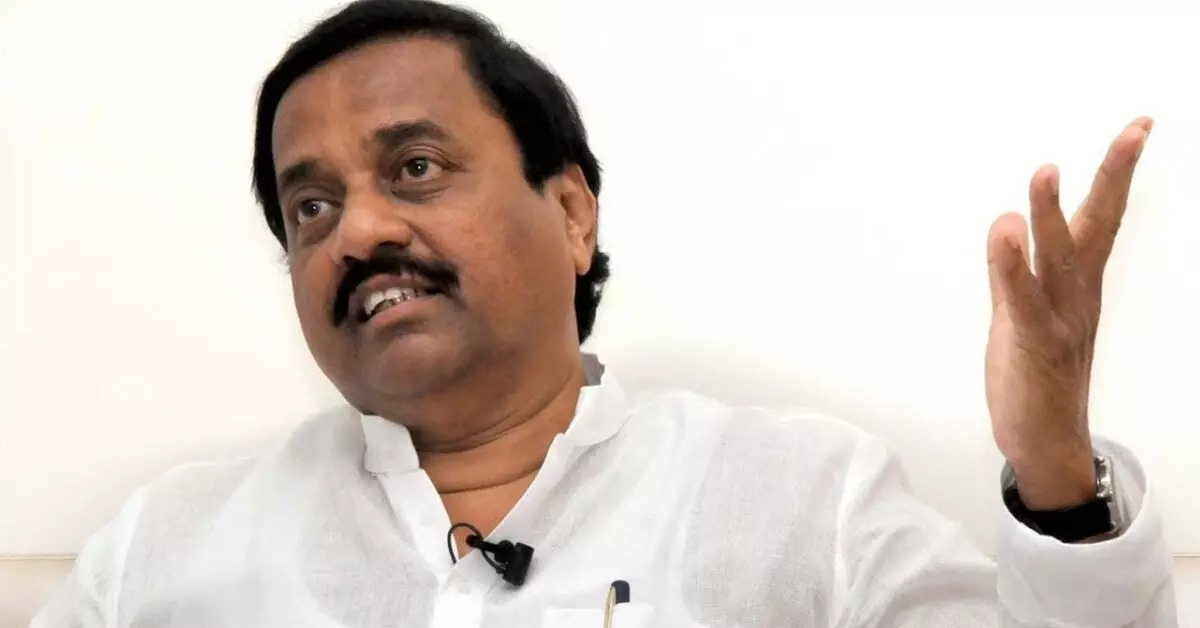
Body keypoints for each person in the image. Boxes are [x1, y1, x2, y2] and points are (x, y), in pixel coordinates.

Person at [32, 0, 1176, 626]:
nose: (358, 230)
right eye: (311, 206)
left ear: (571, 211)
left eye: (416, 168)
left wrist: (1057, 475)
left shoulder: (802, 506)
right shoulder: (162, 557)